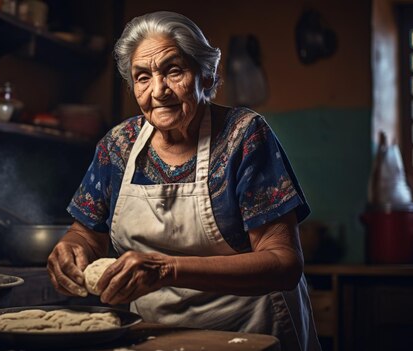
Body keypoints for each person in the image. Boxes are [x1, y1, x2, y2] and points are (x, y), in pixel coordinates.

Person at [47, 11, 321, 351]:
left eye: (173, 71)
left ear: (205, 76)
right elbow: (86, 234)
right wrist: (73, 248)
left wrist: (167, 269)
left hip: (250, 334)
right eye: (142, 77)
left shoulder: (244, 136)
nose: (158, 90)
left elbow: (283, 264)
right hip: (154, 336)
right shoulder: (117, 146)